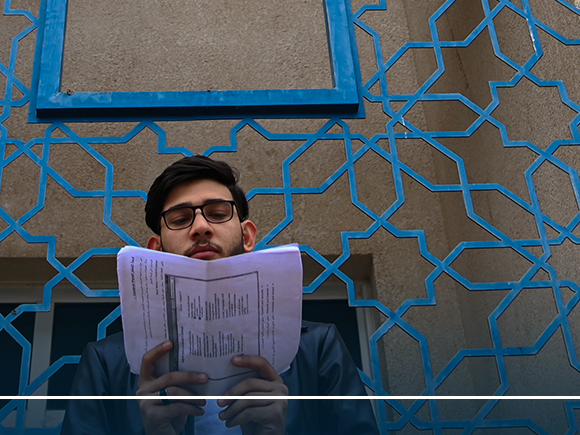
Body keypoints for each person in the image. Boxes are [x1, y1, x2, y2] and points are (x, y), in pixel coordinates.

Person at [59, 156, 379, 435]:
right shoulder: (106, 363)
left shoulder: (317, 348)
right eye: (180, 219)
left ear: (247, 236)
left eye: (217, 213)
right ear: (155, 250)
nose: (200, 227)